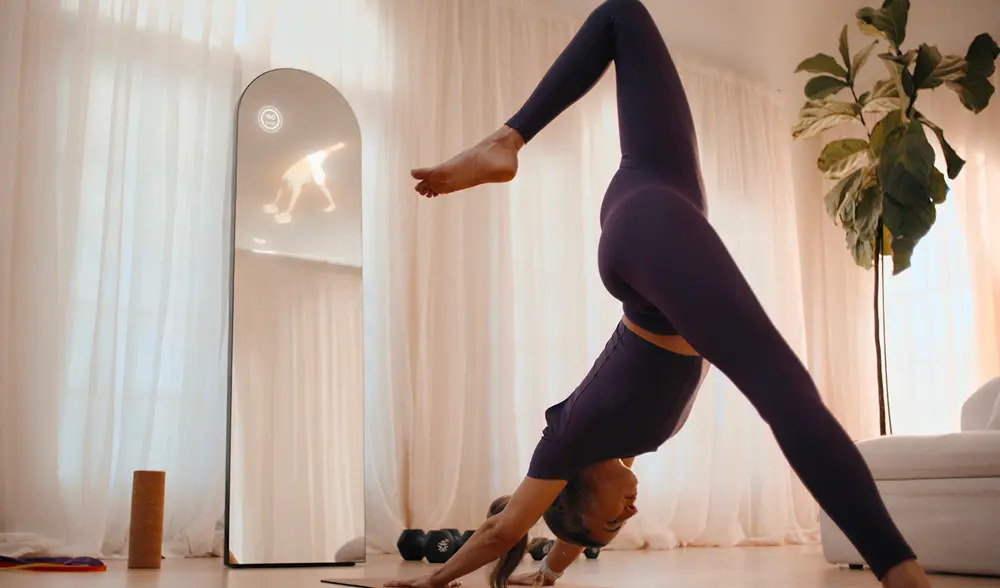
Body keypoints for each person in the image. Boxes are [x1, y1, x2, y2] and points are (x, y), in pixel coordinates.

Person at [386, 1, 931, 587]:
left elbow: (502, 533)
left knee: (783, 391)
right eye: (620, 529)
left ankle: (900, 573)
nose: (631, 515)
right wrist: (550, 571)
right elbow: (575, 526)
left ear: (573, 491)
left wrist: (430, 582)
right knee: (624, 14)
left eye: (610, 521)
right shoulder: (621, 445)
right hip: (658, 193)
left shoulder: (565, 443)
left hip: (644, 234)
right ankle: (509, 140)